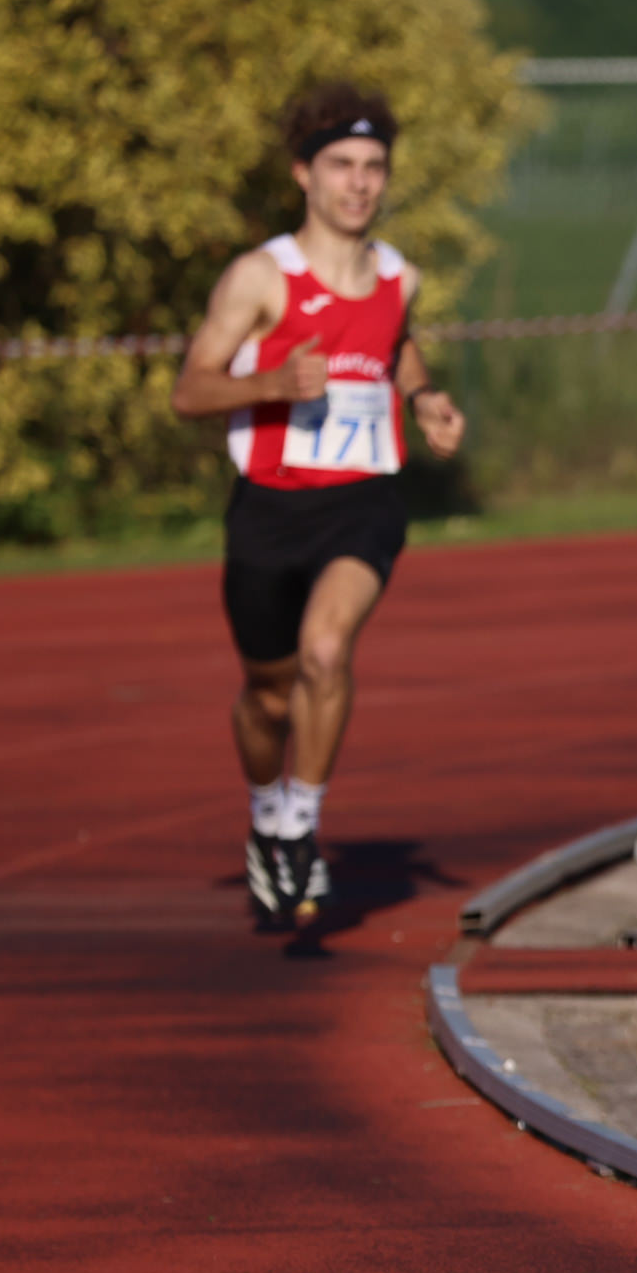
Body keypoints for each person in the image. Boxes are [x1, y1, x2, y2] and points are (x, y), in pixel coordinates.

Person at [172, 84, 467, 930]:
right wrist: (271, 382)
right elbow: (189, 391)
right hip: (268, 509)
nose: (359, 183)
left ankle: (300, 825)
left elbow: (396, 344)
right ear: (304, 174)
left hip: (361, 504)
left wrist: (424, 399)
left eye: (374, 167)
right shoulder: (261, 278)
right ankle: (267, 814)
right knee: (268, 697)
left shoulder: (399, 276)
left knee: (326, 651)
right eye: (341, 165)